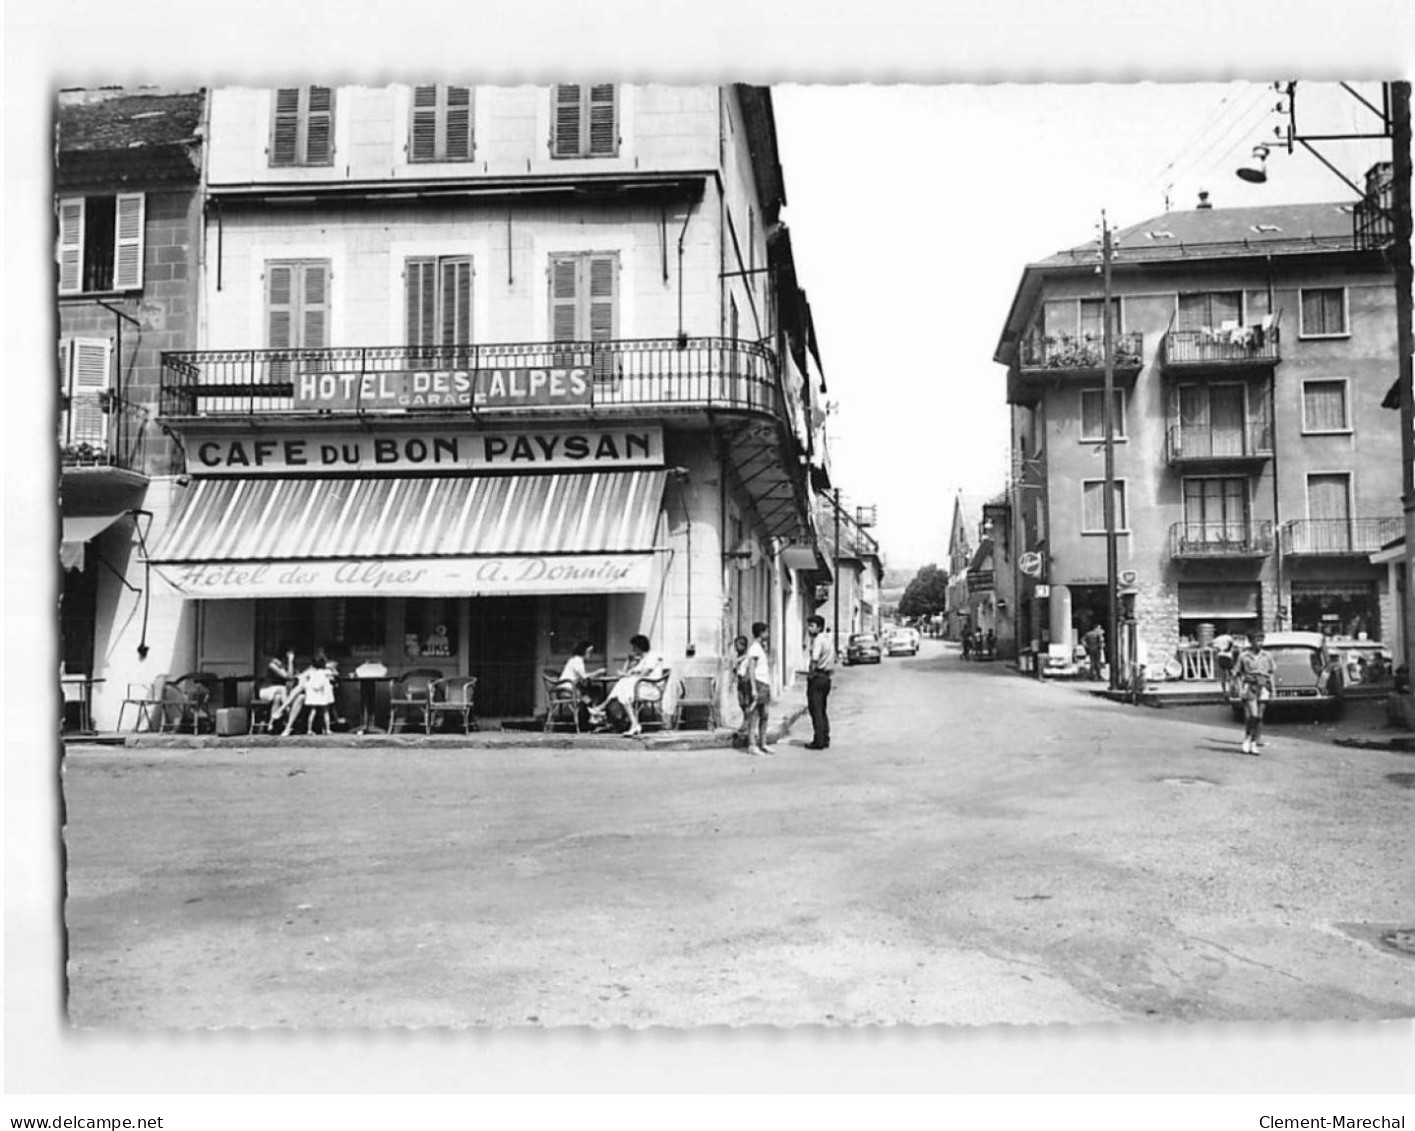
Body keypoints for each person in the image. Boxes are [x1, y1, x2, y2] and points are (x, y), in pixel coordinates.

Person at [604, 634, 664, 737]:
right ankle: (634, 724)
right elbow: (631, 672)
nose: (633, 649)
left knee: (623, 686)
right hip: (641, 686)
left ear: (639, 647)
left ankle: (603, 706)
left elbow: (642, 675)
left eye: (634, 647)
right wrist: (628, 662)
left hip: (652, 688)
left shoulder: (652, 657)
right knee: (623, 688)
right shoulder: (643, 659)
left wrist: (626, 675)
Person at [1234, 630, 1276, 756]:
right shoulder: (1244, 656)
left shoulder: (1267, 656)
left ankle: (1253, 742)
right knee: (1253, 715)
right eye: (1257, 640)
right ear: (1251, 641)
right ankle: (1247, 737)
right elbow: (1236, 673)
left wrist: (1273, 689)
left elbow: (1271, 674)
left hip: (1263, 686)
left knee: (1259, 717)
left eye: (1261, 640)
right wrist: (1239, 688)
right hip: (1250, 686)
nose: (1260, 643)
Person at [559, 639, 607, 732]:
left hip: (570, 688)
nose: (590, 655)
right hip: (567, 689)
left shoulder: (576, 660)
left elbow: (581, 678)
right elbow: (584, 676)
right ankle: (592, 719)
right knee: (593, 694)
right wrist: (598, 672)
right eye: (589, 652)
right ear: (584, 651)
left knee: (595, 690)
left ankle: (593, 717)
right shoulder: (577, 660)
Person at [804, 614, 834, 751]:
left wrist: (810, 674)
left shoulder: (818, 640)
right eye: (809, 625)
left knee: (815, 709)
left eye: (812, 626)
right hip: (826, 677)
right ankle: (825, 737)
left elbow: (814, 660)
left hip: (818, 677)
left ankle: (819, 741)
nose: (809, 629)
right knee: (822, 709)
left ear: (819, 627)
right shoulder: (828, 639)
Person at [291, 649, 337, 736]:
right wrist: (331, 667)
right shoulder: (326, 672)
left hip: (313, 695)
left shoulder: (311, 672)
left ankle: (309, 729)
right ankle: (327, 729)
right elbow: (335, 675)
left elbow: (300, 676)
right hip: (323, 695)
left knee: (313, 711)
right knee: (325, 712)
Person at [743, 621, 772, 756]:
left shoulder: (760, 648)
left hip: (764, 684)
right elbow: (751, 669)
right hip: (758, 683)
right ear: (761, 633)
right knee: (754, 715)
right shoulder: (754, 648)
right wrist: (753, 689)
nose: (768, 634)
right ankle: (752, 744)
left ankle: (763, 742)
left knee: (764, 715)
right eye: (766, 631)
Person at [261, 642, 299, 727]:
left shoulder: (287, 664)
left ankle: (271, 723)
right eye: (291, 652)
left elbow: (292, 675)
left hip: (279, 692)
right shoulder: (274, 663)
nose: (292, 654)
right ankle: (288, 711)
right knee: (281, 689)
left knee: (278, 698)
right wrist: (290, 660)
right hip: (266, 691)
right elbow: (288, 677)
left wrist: (291, 662)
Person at [731, 635, 753, 746]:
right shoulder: (738, 657)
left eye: (738, 645)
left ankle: (747, 724)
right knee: (742, 703)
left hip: (746, 682)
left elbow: (749, 671)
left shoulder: (747, 657)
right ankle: (745, 721)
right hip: (740, 682)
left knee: (747, 702)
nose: (736, 647)